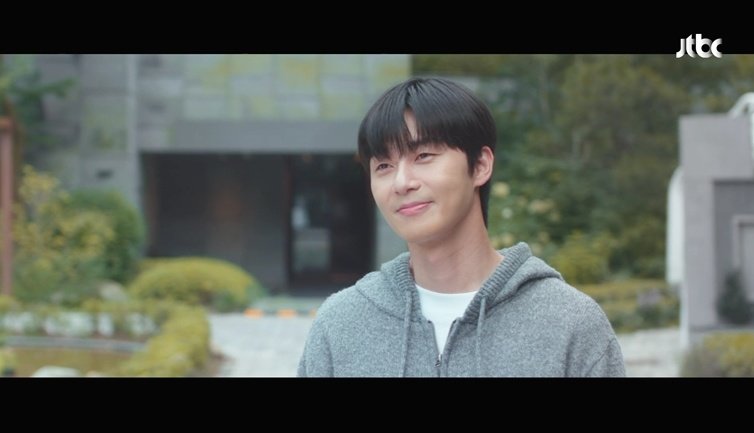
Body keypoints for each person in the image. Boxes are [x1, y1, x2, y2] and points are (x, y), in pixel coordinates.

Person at [297, 77, 625, 377]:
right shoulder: (340, 325)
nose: (401, 182)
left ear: (480, 165)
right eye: (384, 165)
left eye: (423, 155)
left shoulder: (570, 324)